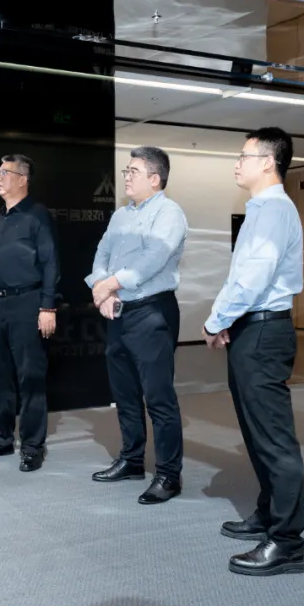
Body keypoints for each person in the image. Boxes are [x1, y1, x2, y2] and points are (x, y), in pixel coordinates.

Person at [203, 127, 304, 576]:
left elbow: (253, 279)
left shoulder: (274, 211)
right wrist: (228, 318)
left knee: (275, 439)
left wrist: (216, 319)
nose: (237, 163)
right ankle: (269, 515)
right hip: (253, 328)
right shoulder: (261, 210)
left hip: (264, 331)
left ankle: (287, 542)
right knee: (256, 432)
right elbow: (241, 276)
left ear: (268, 162)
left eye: (244, 156)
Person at [86, 146, 187, 505]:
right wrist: (102, 289)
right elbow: (102, 254)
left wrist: (110, 285)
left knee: (158, 397)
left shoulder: (169, 213)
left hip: (152, 312)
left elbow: (152, 260)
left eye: (133, 171)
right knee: (125, 393)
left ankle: (168, 475)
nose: (126, 177)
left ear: (155, 178)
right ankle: (131, 460)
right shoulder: (120, 215)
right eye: (126, 171)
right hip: (118, 311)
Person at [0, 154, 59, 472]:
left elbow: (50, 262)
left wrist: (47, 306)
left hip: (28, 302)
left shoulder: (38, 216)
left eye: (4, 172)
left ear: (22, 179)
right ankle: (0, 439)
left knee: (30, 377)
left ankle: (33, 446)